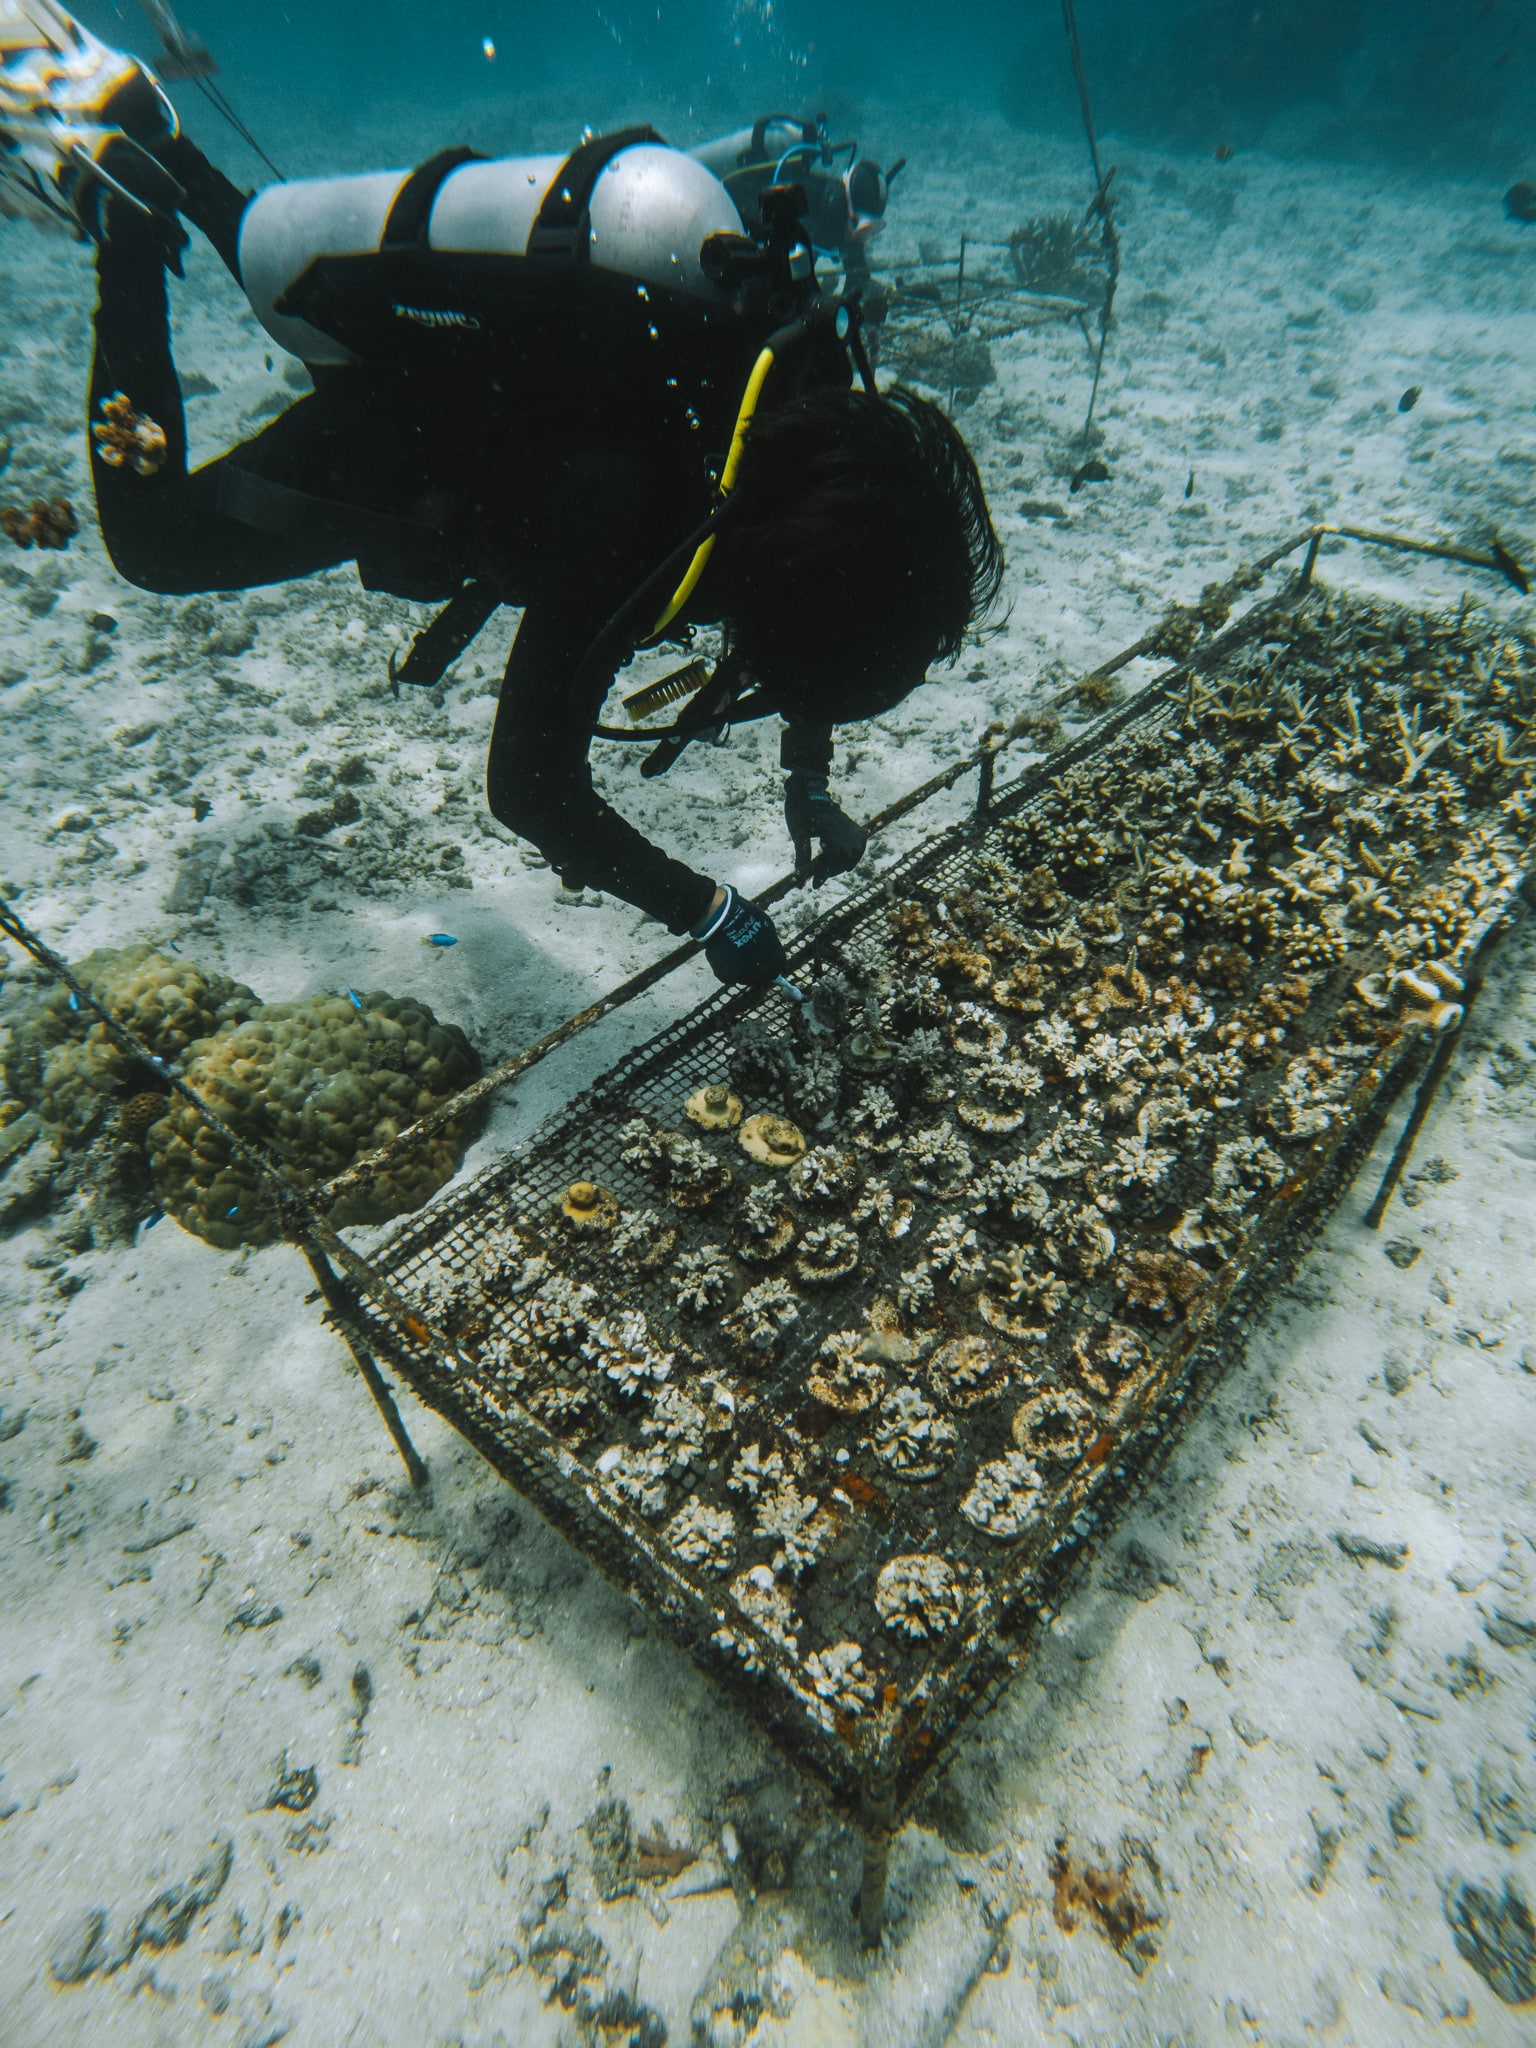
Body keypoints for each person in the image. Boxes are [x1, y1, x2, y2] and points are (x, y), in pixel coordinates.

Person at [1, 2, 1002, 987]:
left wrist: (808, 779)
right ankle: (125, 227)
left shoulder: (811, 416)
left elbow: (835, 588)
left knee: (318, 294)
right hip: (414, 430)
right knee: (157, 546)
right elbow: (529, 785)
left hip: (479, 355)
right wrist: (704, 909)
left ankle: (160, 145)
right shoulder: (637, 520)